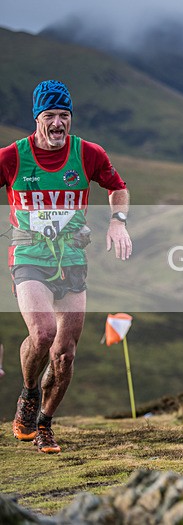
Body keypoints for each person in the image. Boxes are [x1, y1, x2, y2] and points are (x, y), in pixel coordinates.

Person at [0, 80, 132, 454]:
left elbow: (117, 187)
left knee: (65, 352)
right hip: (28, 257)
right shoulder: (12, 157)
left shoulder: (88, 154)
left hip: (73, 259)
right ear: (36, 119)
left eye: (64, 116)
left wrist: (118, 221)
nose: (58, 124)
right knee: (41, 333)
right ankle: (27, 395)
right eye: (50, 117)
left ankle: (44, 423)